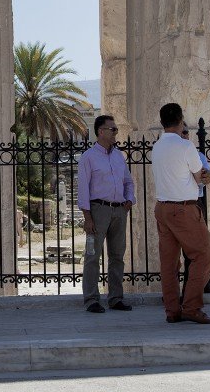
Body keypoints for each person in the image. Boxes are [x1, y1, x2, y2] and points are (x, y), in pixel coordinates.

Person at [151, 103, 210, 324]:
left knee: (169, 264)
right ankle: (191, 306)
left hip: (162, 208)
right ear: (181, 120)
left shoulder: (157, 147)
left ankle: (172, 310)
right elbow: (201, 177)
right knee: (203, 255)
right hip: (184, 208)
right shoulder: (186, 146)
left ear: (162, 123)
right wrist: (205, 175)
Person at [77, 115, 135, 313]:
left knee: (117, 255)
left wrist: (129, 200)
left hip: (120, 210)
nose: (116, 132)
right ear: (100, 131)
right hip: (97, 210)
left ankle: (115, 298)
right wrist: (87, 217)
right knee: (92, 255)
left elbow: (128, 181)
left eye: (116, 129)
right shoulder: (88, 157)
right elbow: (83, 188)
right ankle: (92, 299)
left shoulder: (119, 156)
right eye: (113, 129)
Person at [179, 123, 210, 295]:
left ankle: (191, 291)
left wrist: (205, 176)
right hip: (175, 203)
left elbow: (205, 178)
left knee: (194, 251)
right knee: (172, 253)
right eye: (182, 132)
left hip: (194, 202)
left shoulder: (198, 155)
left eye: (186, 132)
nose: (185, 135)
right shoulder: (169, 155)